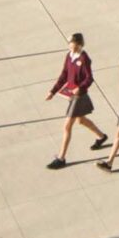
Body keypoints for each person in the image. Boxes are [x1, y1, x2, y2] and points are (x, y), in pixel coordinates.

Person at [44, 34, 108, 169]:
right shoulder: (69, 56)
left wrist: (80, 88)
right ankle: (101, 136)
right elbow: (64, 75)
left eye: (71, 43)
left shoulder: (84, 59)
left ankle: (61, 158)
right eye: (69, 43)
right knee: (81, 120)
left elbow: (89, 78)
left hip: (79, 96)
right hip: (71, 94)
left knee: (67, 126)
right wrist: (53, 91)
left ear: (79, 44)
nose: (69, 46)